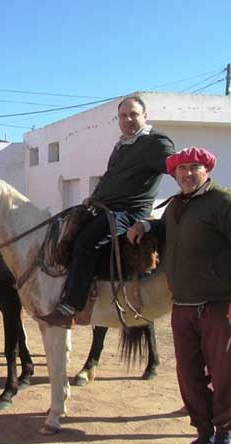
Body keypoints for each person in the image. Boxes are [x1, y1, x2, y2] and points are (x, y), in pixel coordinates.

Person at [127, 146, 231, 444]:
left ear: (207, 170)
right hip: (184, 306)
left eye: (194, 168)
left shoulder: (224, 202)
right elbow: (168, 230)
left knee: (224, 375)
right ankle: (202, 438)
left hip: (219, 305)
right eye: (181, 169)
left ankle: (222, 443)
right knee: (189, 375)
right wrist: (146, 227)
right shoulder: (177, 205)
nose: (187, 174)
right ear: (173, 174)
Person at [39, 95, 175, 328]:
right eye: (123, 115)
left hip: (129, 212)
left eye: (134, 114)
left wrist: (193, 178)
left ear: (145, 116)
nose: (128, 119)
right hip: (104, 208)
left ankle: (71, 307)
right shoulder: (122, 145)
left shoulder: (156, 142)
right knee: (66, 232)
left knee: (86, 243)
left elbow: (174, 167)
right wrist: (94, 197)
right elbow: (110, 177)